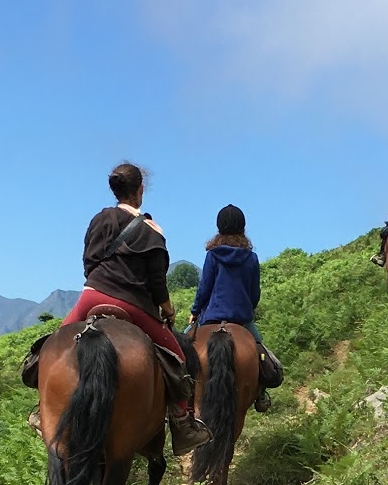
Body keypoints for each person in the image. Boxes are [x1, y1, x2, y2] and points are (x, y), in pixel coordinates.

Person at [55, 161, 209, 453]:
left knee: (53, 348)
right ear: (141, 189)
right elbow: (157, 281)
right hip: (133, 304)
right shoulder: (151, 230)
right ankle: (182, 424)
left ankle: (43, 410)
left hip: (92, 296)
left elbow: (88, 261)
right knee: (178, 359)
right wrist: (167, 309)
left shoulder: (99, 219)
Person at [187, 205, 284, 411]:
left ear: (219, 227)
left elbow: (204, 288)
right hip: (241, 319)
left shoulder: (212, 256)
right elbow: (254, 293)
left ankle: (181, 397)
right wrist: (247, 308)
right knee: (262, 352)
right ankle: (261, 393)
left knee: (182, 350)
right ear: (243, 227)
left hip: (211, 317)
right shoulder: (251, 258)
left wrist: (195, 311)